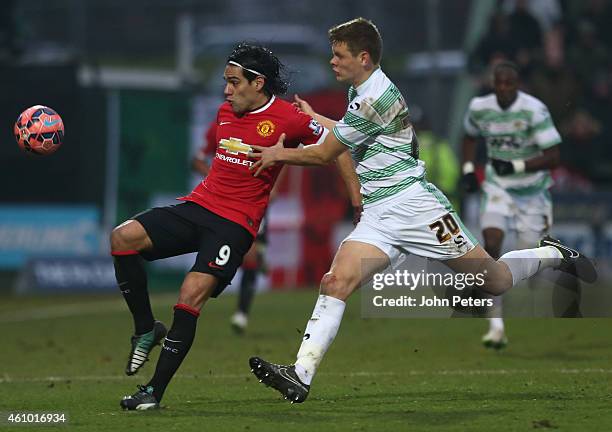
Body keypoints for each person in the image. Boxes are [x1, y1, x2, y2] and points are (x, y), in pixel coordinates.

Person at [247, 17, 596, 404]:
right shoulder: (363, 91)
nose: (332, 61)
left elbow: (327, 152)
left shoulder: (374, 95)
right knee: (335, 282)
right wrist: (315, 117)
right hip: (381, 214)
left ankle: (551, 253)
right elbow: (352, 133)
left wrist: (279, 153)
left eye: (339, 55)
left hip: (417, 208)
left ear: (363, 58)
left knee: (493, 281)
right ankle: (301, 373)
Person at [111, 42, 361, 410]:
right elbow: (217, 159)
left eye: (233, 82)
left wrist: (355, 200)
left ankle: (152, 393)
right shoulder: (225, 112)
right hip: (199, 206)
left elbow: (336, 148)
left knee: (189, 295)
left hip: (233, 225)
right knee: (122, 237)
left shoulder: (289, 118)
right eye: (226, 82)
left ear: (257, 82)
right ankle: (146, 328)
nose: (227, 91)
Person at [461, 61, 562, 349]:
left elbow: (554, 156)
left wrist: (517, 164)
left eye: (509, 84)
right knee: (492, 243)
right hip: (498, 187)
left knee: (530, 256)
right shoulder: (480, 107)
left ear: (518, 85)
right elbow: (469, 136)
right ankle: (495, 326)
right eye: (499, 84)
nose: (504, 89)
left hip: (533, 192)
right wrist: (469, 168)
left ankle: (551, 255)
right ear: (494, 84)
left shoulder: (534, 110)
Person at [191, 123, 283, 333]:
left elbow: (281, 158)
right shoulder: (218, 127)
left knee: (249, 257)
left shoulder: (267, 125)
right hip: (221, 201)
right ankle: (257, 257)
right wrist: (218, 176)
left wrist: (274, 186)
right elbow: (196, 161)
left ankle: (241, 313)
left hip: (252, 199)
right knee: (230, 254)